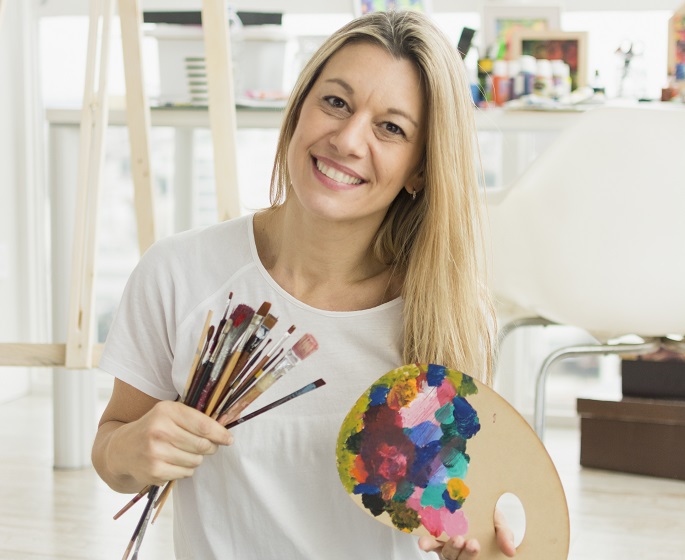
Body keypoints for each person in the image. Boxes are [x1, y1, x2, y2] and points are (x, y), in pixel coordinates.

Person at [92, 10, 516, 560]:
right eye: (335, 102)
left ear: (419, 169)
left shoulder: (449, 313)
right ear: (298, 111)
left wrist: (469, 538)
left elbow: (448, 510)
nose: (347, 138)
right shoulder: (179, 272)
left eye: (391, 128)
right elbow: (112, 457)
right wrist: (133, 447)